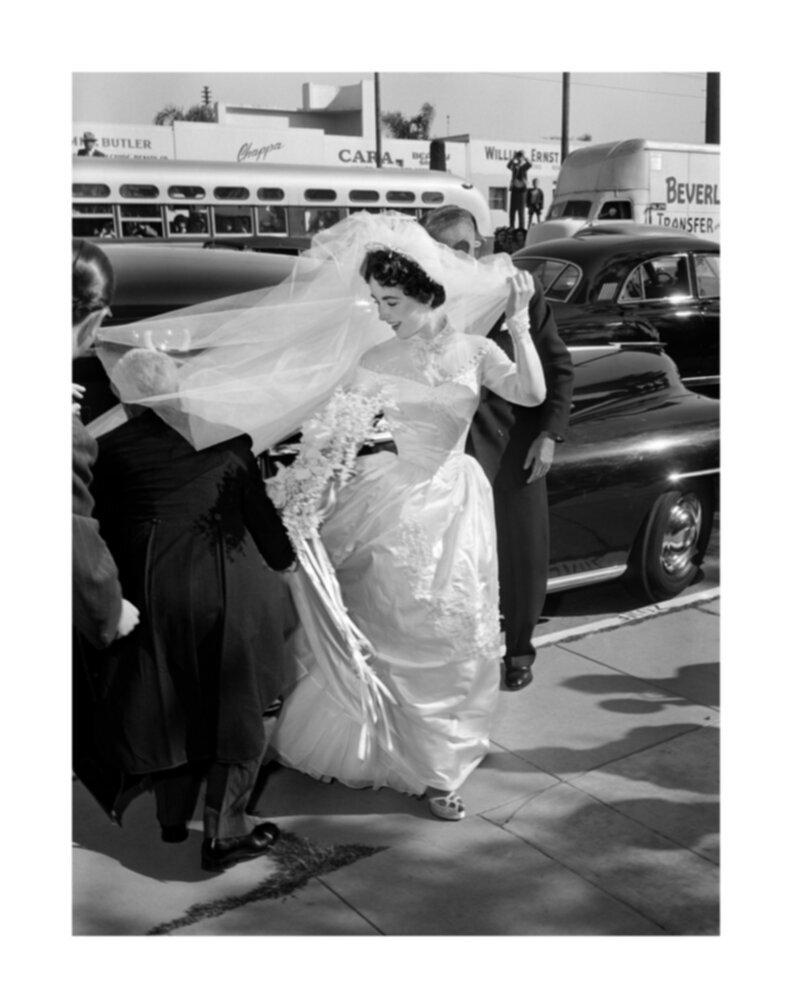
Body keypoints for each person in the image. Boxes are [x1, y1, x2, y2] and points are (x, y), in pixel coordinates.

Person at [270, 234, 547, 821]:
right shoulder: (375, 361)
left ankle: (440, 767)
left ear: (425, 295)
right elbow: (335, 436)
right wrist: (303, 488)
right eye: (375, 300)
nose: (380, 313)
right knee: (388, 621)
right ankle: (385, 748)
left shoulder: (475, 351)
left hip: (454, 500)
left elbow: (531, 392)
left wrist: (519, 326)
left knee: (452, 629)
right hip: (391, 501)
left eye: (390, 301)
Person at [86, 348, 297, 871]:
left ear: (121, 394)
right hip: (230, 590)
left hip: (151, 590)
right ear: (179, 386)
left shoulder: (104, 448)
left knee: (169, 698)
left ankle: (173, 821)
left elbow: (100, 525)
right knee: (243, 704)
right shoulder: (225, 438)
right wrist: (289, 566)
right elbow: (263, 522)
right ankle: (225, 834)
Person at [423, 205, 574, 691]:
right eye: (440, 252)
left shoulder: (518, 289)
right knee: (459, 560)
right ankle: (469, 649)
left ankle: (520, 652)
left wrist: (549, 436)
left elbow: (558, 367)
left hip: (516, 448)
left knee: (521, 553)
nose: (450, 260)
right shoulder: (425, 300)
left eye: (458, 250)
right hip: (452, 451)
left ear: (478, 246)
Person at [507, 150, 531, 230]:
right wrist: (513, 158)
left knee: (521, 211)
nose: (519, 158)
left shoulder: (524, 166)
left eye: (520, 156)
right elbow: (508, 165)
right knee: (512, 210)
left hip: (522, 190)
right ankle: (511, 227)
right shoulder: (514, 165)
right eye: (519, 156)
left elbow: (530, 164)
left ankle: (521, 228)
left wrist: (525, 157)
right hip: (514, 188)